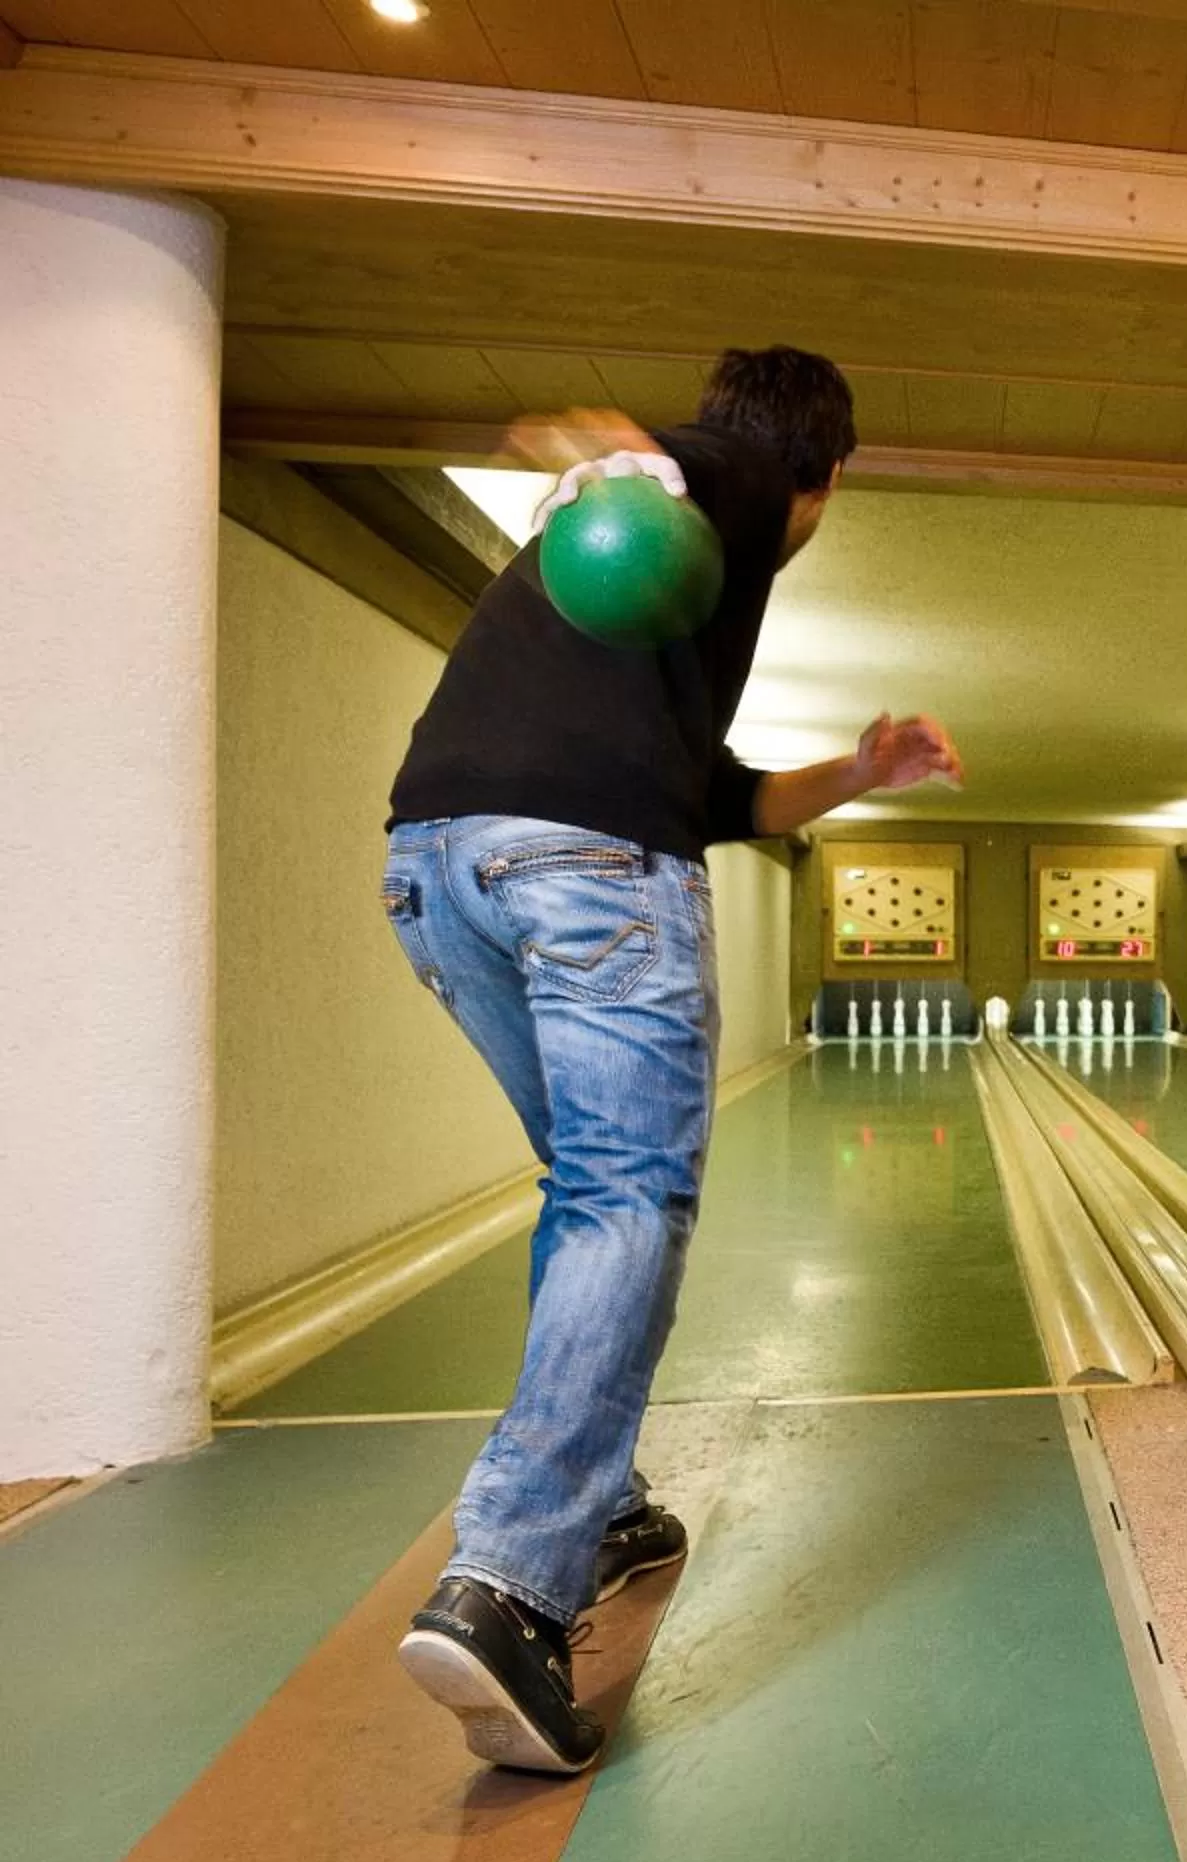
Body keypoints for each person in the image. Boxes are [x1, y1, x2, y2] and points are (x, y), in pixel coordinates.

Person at [381, 346, 963, 1772]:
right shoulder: (746, 480)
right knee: (631, 1199)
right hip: (585, 872)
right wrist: (620, 455)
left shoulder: (650, 647)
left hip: (438, 861)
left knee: (587, 1190)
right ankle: (513, 1580)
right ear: (830, 474)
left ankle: (601, 1498)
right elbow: (679, 468)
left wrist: (861, 773)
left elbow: (722, 795)